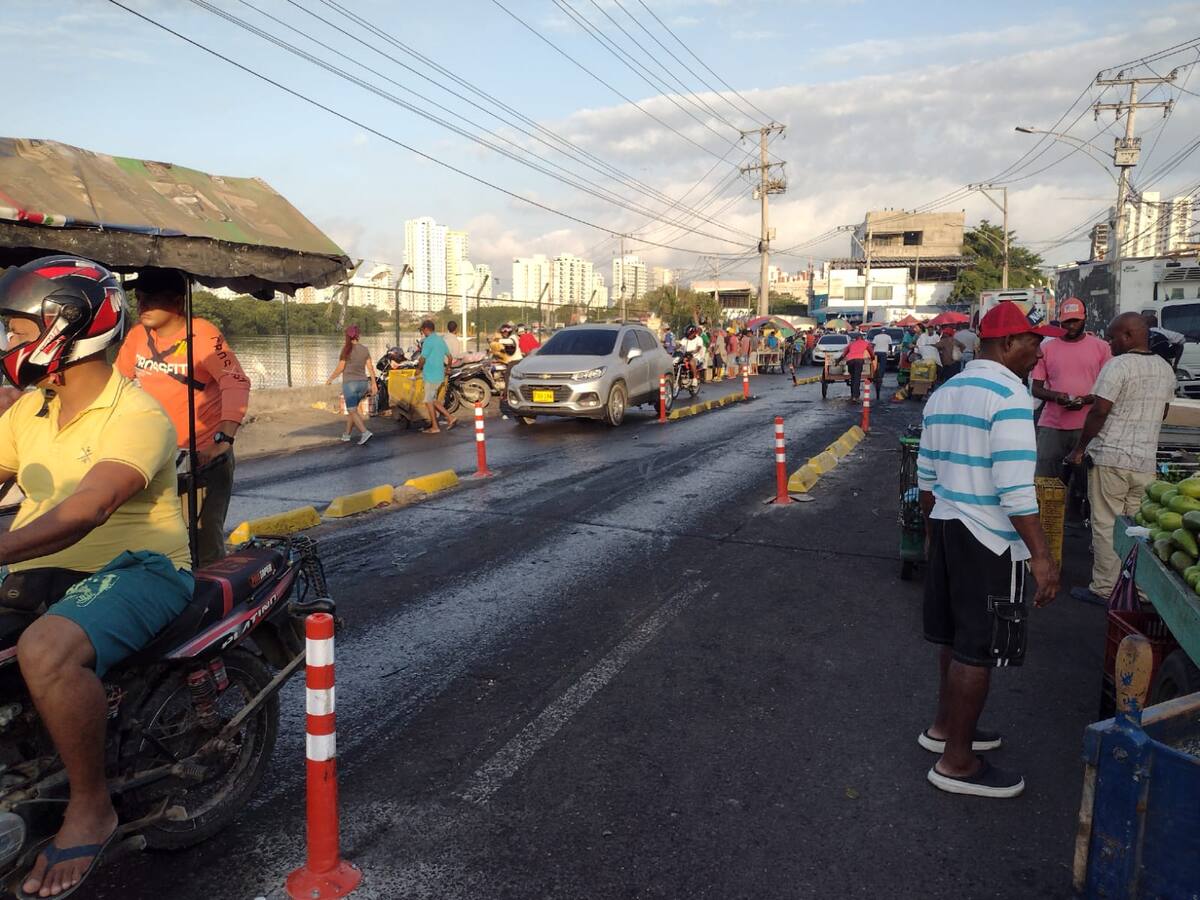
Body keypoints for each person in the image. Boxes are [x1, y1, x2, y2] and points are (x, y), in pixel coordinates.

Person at [0, 257, 194, 897]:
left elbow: (90, 508)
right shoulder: (30, 410)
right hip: (39, 567)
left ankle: (91, 805)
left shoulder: (136, 414)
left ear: (70, 326)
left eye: (20, 330)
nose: (9, 344)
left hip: (139, 566)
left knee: (45, 652)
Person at [917, 301, 1063, 798]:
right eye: (1032, 341)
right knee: (977, 651)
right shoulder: (1009, 395)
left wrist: (935, 535)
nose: (1039, 350)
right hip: (988, 538)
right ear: (1006, 344)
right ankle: (957, 763)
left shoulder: (945, 391)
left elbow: (926, 475)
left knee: (955, 639)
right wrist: (1041, 557)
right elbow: (1016, 490)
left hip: (950, 525)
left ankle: (944, 728)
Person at [116, 267, 250, 566]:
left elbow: (235, 382)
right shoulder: (138, 335)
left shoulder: (202, 334)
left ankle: (211, 606)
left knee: (202, 541)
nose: (143, 306)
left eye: (153, 299)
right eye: (140, 298)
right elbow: (116, 384)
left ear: (178, 302)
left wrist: (223, 439)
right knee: (153, 538)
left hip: (202, 455)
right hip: (157, 455)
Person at [1066, 312, 1177, 605]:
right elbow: (1163, 412)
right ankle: (1140, 589)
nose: (1109, 342)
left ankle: (1104, 588)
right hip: (1144, 461)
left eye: (1113, 337)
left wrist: (1079, 448)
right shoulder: (1165, 369)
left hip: (1111, 457)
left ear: (1128, 336)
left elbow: (1100, 410)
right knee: (1139, 528)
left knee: (1106, 523)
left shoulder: (1118, 365)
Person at [1029, 297, 1110, 509]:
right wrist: (1057, 397)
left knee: (1087, 482)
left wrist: (1086, 400)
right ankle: (1047, 523)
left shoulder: (1101, 348)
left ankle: (1079, 520)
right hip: (1052, 425)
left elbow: (1108, 390)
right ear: (1060, 320)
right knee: (1046, 480)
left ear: (1084, 319)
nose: (1070, 326)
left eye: (1075, 321)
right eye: (1066, 321)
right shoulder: (1047, 348)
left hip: (1088, 425)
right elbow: (1035, 388)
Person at [325, 325, 376, 446]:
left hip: (350, 384)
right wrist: (373, 383)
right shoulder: (365, 349)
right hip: (363, 384)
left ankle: (364, 432)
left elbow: (340, 368)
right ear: (359, 335)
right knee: (353, 411)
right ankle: (347, 435)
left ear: (347, 336)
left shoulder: (346, 350)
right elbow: (370, 367)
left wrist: (330, 378)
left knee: (352, 410)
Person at [417, 319, 457, 434]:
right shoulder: (440, 340)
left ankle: (437, 425)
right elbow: (449, 357)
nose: (422, 332)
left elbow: (422, 358)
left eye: (422, 330)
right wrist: (448, 368)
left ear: (425, 329)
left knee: (429, 401)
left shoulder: (428, 341)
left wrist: (418, 369)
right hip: (440, 375)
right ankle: (447, 419)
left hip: (430, 375)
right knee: (432, 400)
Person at [842, 330, 875, 401]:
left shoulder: (851, 344)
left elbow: (844, 354)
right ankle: (855, 396)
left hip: (850, 361)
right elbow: (871, 353)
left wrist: (837, 361)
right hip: (859, 361)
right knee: (857, 378)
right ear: (862, 338)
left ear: (856, 338)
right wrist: (872, 358)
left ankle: (853, 394)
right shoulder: (866, 343)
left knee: (853, 377)